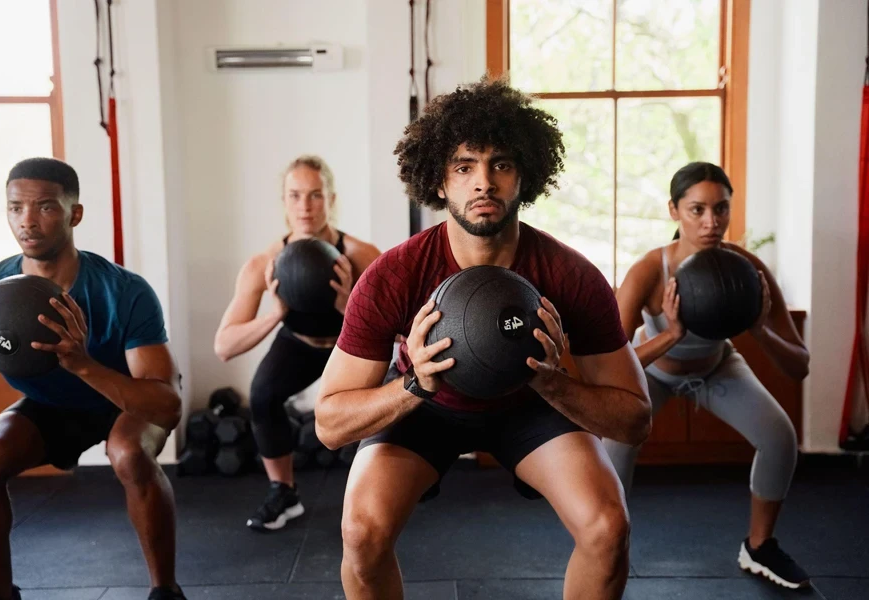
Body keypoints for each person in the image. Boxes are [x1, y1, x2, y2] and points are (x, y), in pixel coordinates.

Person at [315, 78, 652, 600]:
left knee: (608, 529)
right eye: (464, 166)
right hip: (426, 410)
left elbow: (635, 420)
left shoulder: (569, 276)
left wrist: (555, 384)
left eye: (501, 164)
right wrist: (412, 385)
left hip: (531, 407)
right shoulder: (394, 276)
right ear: (440, 182)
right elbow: (329, 424)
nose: (484, 183)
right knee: (361, 534)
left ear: (525, 176)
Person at [0, 158, 185, 600]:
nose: (27, 221)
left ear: (75, 214)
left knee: (128, 454)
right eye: (15, 208)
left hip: (124, 398)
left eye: (46, 207)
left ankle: (165, 592)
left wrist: (83, 363)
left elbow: (167, 406)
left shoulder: (124, 291)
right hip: (47, 406)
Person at [602, 162, 811, 589]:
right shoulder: (648, 271)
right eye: (697, 210)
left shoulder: (746, 269)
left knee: (780, 438)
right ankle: (608, 544)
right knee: (614, 445)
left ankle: (759, 547)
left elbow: (799, 364)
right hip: (655, 372)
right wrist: (673, 334)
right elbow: (613, 364)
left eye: (721, 209)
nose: (711, 222)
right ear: (674, 211)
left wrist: (759, 330)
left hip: (717, 367)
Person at [214, 155, 380, 532]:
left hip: (349, 344)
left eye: (315, 195)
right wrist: (276, 314)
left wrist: (349, 306)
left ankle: (382, 487)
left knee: (382, 404)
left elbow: (401, 329)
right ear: (284, 202)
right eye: (295, 195)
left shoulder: (361, 255)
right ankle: (283, 493)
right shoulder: (265, 264)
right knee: (262, 394)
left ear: (331, 199)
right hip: (298, 342)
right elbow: (224, 345)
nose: (305, 206)